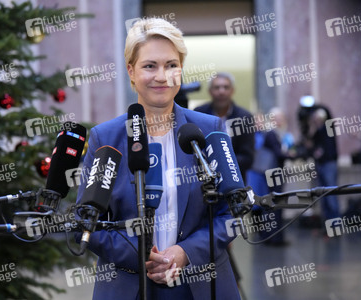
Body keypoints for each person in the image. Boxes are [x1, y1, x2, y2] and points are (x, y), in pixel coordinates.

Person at [76, 18, 241, 300]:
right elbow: (88, 221)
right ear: (131, 70)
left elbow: (231, 213)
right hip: (126, 284)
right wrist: (142, 257)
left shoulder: (208, 128)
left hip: (201, 283)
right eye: (150, 66)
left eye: (171, 65)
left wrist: (184, 253)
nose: (162, 77)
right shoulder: (106, 137)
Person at [194, 73, 255, 182]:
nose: (221, 92)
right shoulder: (199, 113)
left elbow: (248, 158)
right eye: (217, 87)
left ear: (232, 90)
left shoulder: (244, 117)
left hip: (235, 181)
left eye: (226, 87)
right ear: (210, 91)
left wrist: (222, 164)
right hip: (204, 182)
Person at [247, 108, 294, 245]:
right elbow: (278, 153)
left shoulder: (272, 134)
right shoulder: (270, 134)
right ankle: (269, 236)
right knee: (265, 203)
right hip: (261, 173)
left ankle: (268, 235)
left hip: (264, 173)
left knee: (267, 204)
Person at [305, 108, 340, 222]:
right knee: (323, 196)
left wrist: (321, 152)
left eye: (317, 119)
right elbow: (310, 144)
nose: (316, 121)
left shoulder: (328, 128)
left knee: (331, 195)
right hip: (320, 165)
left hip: (328, 164)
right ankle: (327, 225)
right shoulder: (317, 131)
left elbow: (328, 148)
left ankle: (335, 224)